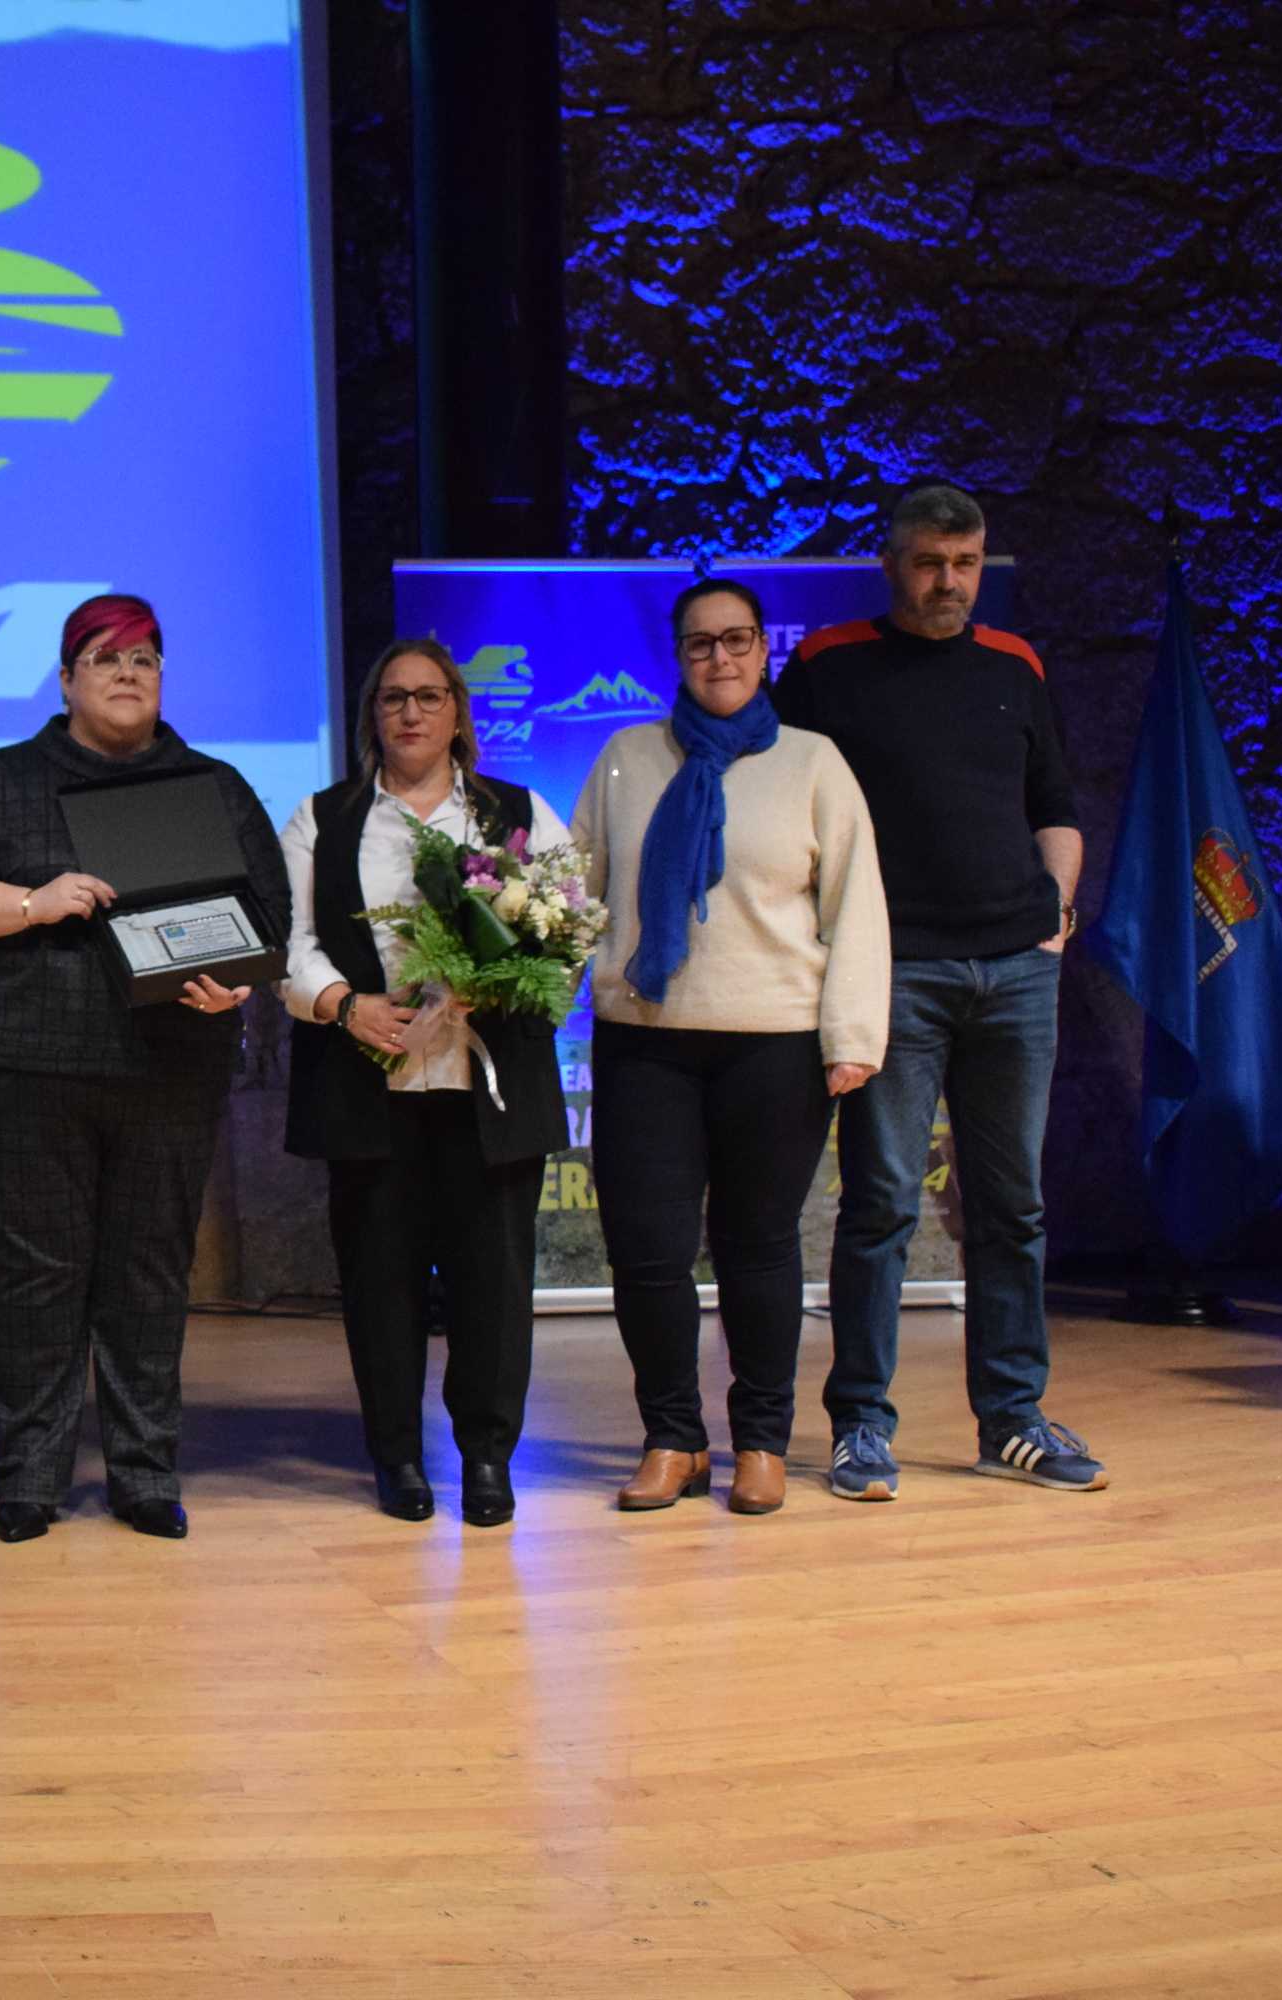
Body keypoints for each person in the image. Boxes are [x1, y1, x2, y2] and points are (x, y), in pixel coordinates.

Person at [0, 592, 289, 1544]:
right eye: (107, 659)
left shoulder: (215, 784)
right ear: (69, 677)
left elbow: (267, 916)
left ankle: (143, 1472)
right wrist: (37, 904)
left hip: (168, 1065)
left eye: (146, 661)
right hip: (23, 1071)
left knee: (150, 1274)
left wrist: (235, 984)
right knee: (38, 1277)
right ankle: (31, 1476)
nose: (129, 675)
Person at [775, 482, 1105, 1498]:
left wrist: (1052, 917)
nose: (947, 583)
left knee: (1011, 1205)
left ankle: (1010, 1416)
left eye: (964, 564)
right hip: (896, 969)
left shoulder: (1015, 665)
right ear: (889, 561)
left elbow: (1054, 803)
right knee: (877, 1203)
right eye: (927, 562)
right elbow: (780, 801)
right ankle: (861, 1423)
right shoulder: (830, 664)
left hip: (1016, 969)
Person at [572, 580, 890, 1515]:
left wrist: (853, 1035)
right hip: (647, 1042)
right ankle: (673, 1438)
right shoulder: (628, 758)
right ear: (678, 655)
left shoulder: (813, 762)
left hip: (776, 1045)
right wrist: (539, 991)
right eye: (700, 643)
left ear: (762, 652)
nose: (720, 658)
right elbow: (573, 889)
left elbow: (856, 907)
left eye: (737, 640)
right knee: (648, 1252)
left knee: (758, 1250)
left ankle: (760, 1441)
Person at [279, 638, 570, 1527]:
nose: (410, 712)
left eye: (429, 696)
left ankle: (486, 1458)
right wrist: (341, 1005)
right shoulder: (321, 820)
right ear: (373, 715)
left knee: (494, 1286)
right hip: (371, 1086)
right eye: (393, 697)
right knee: (382, 1285)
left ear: (457, 713)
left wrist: (505, 981)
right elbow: (291, 943)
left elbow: (565, 934)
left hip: (488, 1089)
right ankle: (397, 1458)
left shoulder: (518, 813)